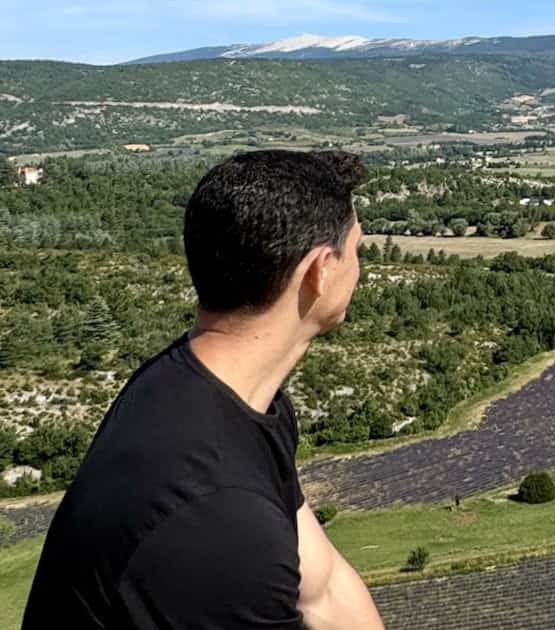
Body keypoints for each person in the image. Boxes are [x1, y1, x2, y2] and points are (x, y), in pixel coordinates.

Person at [23, 150, 385, 629]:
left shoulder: (220, 393)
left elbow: (324, 588)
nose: (359, 265)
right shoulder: (216, 518)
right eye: (354, 248)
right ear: (318, 271)